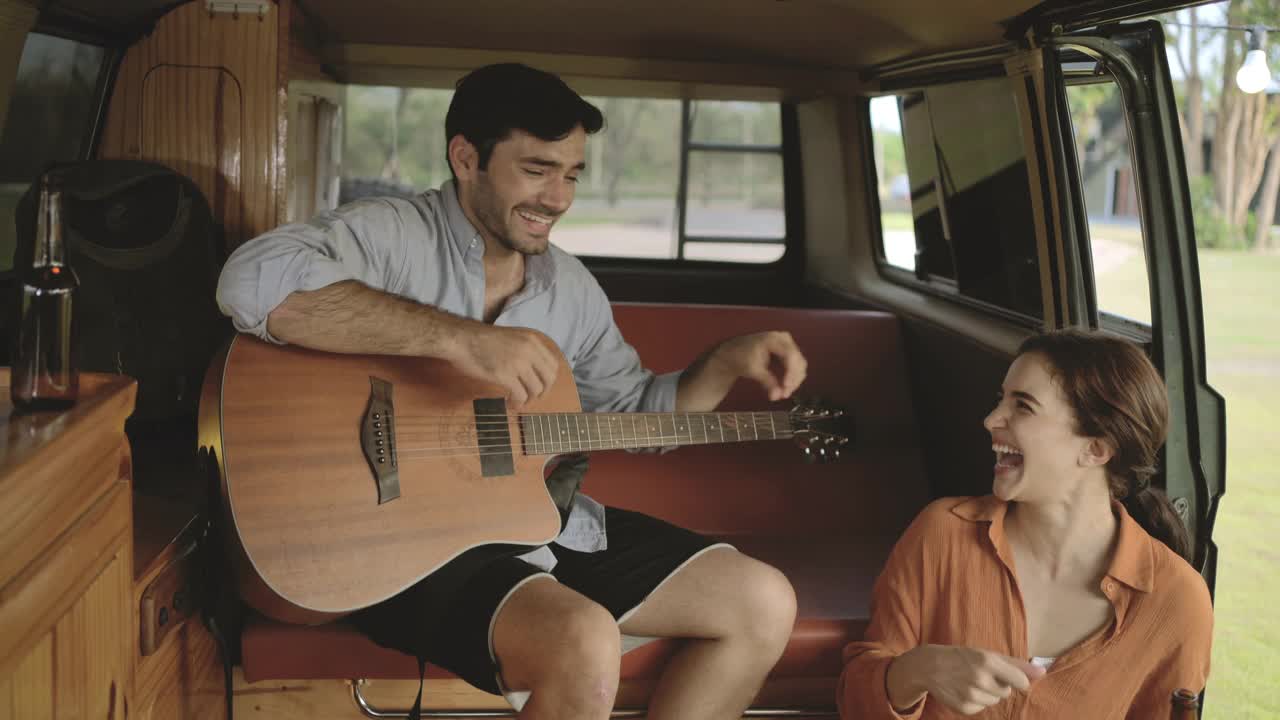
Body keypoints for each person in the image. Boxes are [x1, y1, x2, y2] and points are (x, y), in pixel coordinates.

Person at [216, 63, 804, 720]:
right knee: (583, 639)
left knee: (763, 601)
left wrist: (726, 362)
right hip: (393, 544)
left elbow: (638, 414)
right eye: (537, 169)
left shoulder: (570, 289)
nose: (558, 197)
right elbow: (250, 284)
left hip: (534, 524)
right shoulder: (395, 235)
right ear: (466, 158)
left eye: (573, 174)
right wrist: (460, 339)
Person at [838, 330, 1213, 719]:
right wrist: (917, 670)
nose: (990, 420)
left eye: (1024, 406)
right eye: (1001, 400)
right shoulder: (941, 534)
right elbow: (855, 702)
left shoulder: (1178, 603)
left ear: (1096, 449)